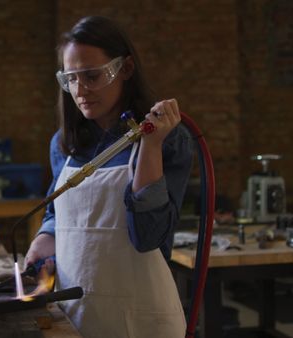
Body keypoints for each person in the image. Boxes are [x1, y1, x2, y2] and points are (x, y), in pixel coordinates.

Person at [24, 16, 194, 337]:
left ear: (125, 69)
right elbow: (55, 213)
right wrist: (44, 241)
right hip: (75, 314)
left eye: (92, 76)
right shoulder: (66, 144)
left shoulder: (168, 138)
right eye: (71, 79)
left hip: (143, 320)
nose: (80, 90)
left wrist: (151, 146)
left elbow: (147, 237)